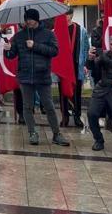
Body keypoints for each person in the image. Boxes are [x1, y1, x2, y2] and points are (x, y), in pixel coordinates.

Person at [4, 9, 70, 146]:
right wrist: (7, 49)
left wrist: (35, 46)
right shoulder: (19, 36)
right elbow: (12, 55)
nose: (28, 21)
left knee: (49, 106)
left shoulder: (48, 34)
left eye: (31, 19)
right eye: (27, 19)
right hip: (25, 76)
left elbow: (54, 51)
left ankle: (56, 134)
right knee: (27, 107)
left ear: (37, 19)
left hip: (42, 76)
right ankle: (32, 133)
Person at [61, 8, 90, 127]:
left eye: (67, 14)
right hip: (63, 68)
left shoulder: (81, 30)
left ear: (71, 15)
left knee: (77, 92)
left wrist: (85, 64)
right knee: (63, 92)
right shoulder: (56, 30)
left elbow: (86, 48)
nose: (65, 16)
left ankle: (77, 116)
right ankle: (65, 117)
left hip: (76, 65)